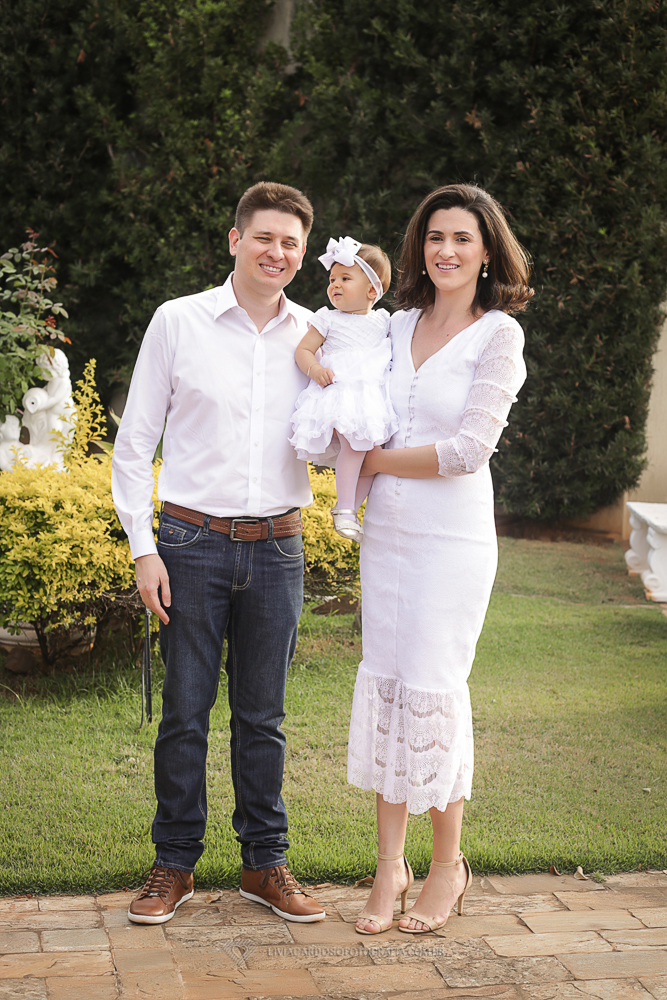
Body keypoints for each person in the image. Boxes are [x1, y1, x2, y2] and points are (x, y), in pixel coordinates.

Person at [111, 181, 326, 926]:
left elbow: (341, 431)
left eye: (291, 243)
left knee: (263, 717)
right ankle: (173, 864)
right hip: (189, 544)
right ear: (235, 240)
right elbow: (135, 445)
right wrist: (144, 550)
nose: (277, 252)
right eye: (264, 237)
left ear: (303, 253)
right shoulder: (179, 321)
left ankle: (265, 864)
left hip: (279, 547)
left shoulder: (318, 334)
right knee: (185, 713)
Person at [347, 183, 532, 935]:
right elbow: (351, 396)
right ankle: (389, 865)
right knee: (389, 686)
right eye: (433, 237)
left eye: (461, 238)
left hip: (450, 542)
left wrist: (373, 462)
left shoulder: (499, 337)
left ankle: (447, 865)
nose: (445, 250)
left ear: (487, 251)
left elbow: (466, 451)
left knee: (432, 688)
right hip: (386, 537)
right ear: (418, 249)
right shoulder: (393, 326)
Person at [289, 237, 397, 543]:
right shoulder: (327, 319)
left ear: (372, 290)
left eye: (345, 279)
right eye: (332, 279)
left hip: (370, 399)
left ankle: (349, 510)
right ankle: (346, 508)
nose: (335, 284)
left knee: (374, 456)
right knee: (355, 446)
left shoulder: (383, 321)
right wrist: (315, 369)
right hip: (340, 393)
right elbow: (303, 350)